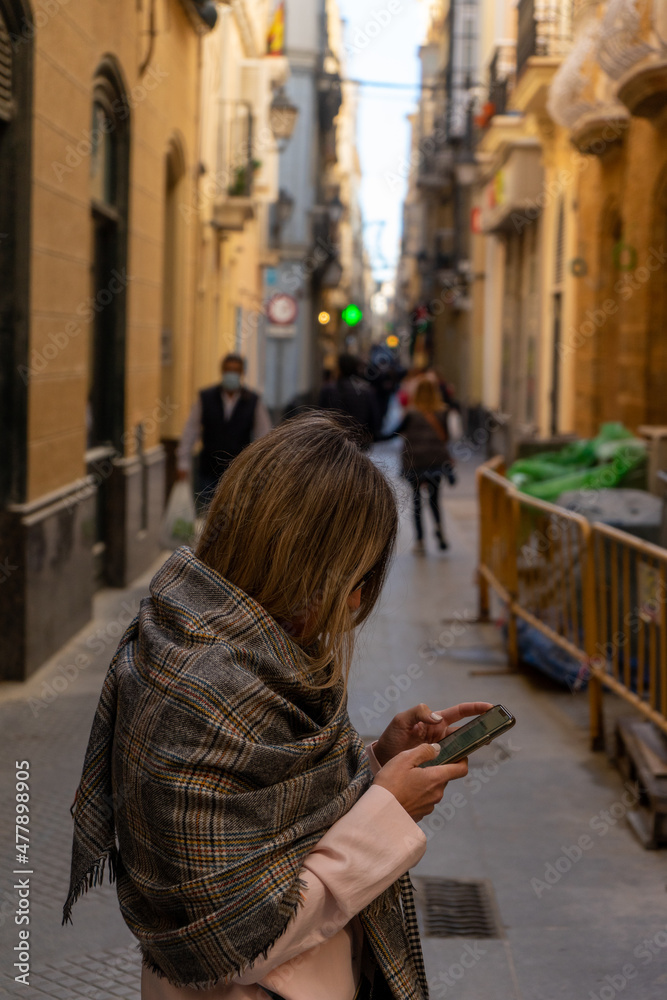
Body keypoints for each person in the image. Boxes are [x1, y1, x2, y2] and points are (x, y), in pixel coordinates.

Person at [63, 413, 490, 1000]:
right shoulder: (202, 686)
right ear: (318, 573)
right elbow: (240, 939)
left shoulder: (237, 643)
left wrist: (373, 764)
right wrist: (387, 810)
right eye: (358, 578)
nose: (360, 599)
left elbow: (273, 808)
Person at [177, 353, 272, 508]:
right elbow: (190, 430)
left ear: (242, 373)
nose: (231, 374)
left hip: (239, 472)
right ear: (222, 371)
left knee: (232, 516)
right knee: (208, 512)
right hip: (209, 469)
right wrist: (183, 462)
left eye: (235, 371)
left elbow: (264, 435)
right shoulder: (205, 398)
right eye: (228, 370)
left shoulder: (253, 401)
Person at [396, 377, 454, 555]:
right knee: (435, 500)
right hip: (435, 462)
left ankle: (420, 540)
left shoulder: (410, 414)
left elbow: (398, 432)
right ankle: (439, 530)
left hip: (415, 462)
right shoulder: (443, 412)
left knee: (417, 501)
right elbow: (447, 438)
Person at [318, 353, 381, 446]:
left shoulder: (328, 390)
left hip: (333, 444)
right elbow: (375, 422)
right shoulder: (366, 390)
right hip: (359, 444)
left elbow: (320, 419)